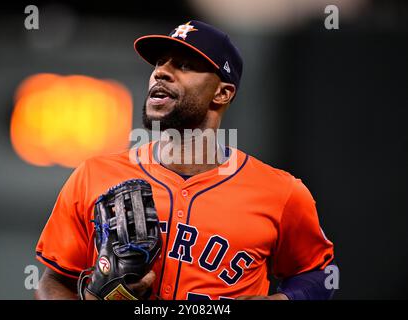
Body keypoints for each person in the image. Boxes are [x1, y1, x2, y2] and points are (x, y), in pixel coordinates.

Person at [35, 20, 337, 300]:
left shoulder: (280, 193)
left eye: (183, 65)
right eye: (159, 63)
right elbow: (53, 281)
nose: (161, 72)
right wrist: (92, 297)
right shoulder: (95, 175)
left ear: (221, 93)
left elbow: (321, 274)